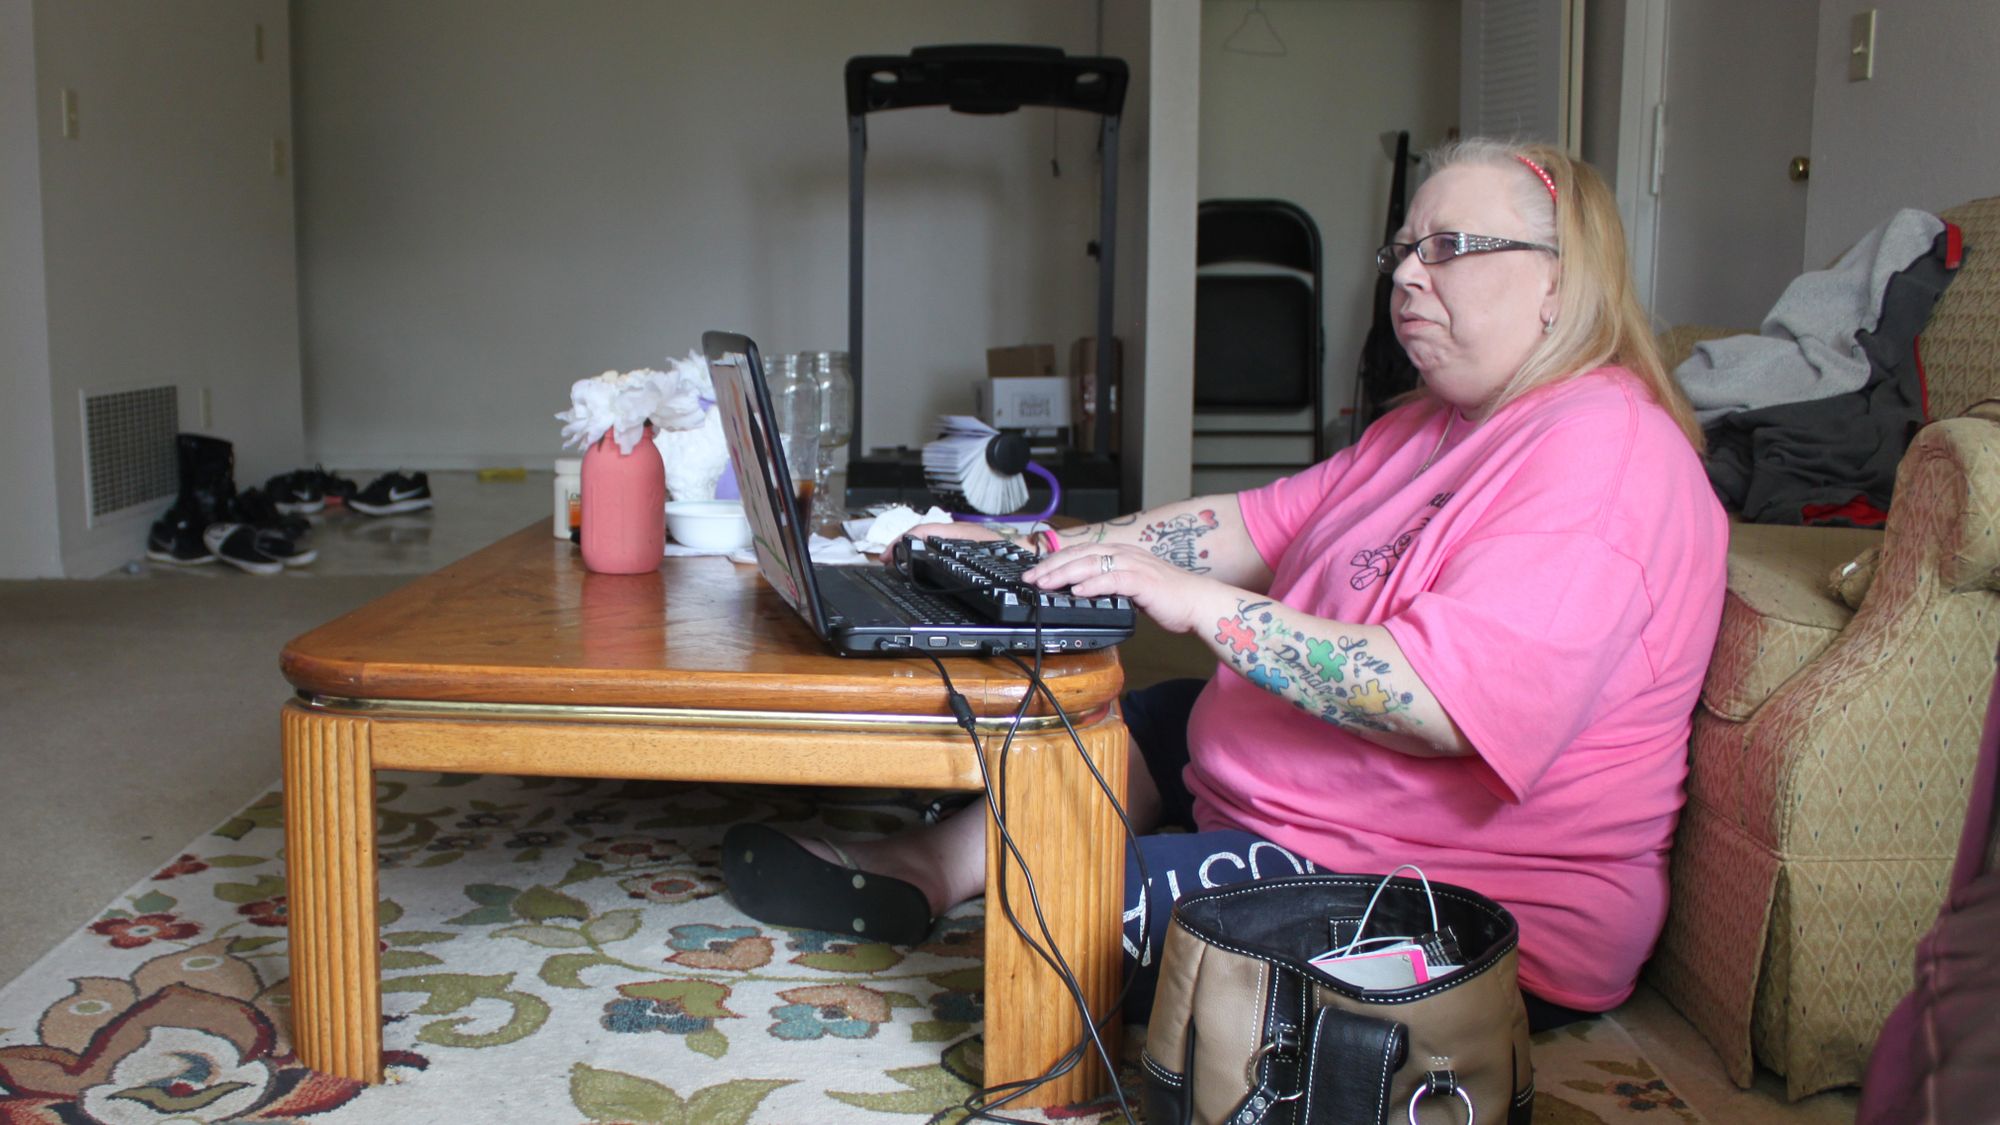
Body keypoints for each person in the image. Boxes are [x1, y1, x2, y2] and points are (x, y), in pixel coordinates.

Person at [722, 137, 1727, 1030]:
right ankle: (930, 869)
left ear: (1561, 281)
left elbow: (1434, 704)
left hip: (1441, 904)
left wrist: (1199, 605)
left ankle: (1011, 906)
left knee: (1049, 915)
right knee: (1152, 712)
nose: (1408, 277)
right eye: (1402, 251)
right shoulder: (1427, 427)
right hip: (1313, 816)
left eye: (1450, 248)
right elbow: (1242, 526)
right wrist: (1036, 548)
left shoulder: (1604, 457)